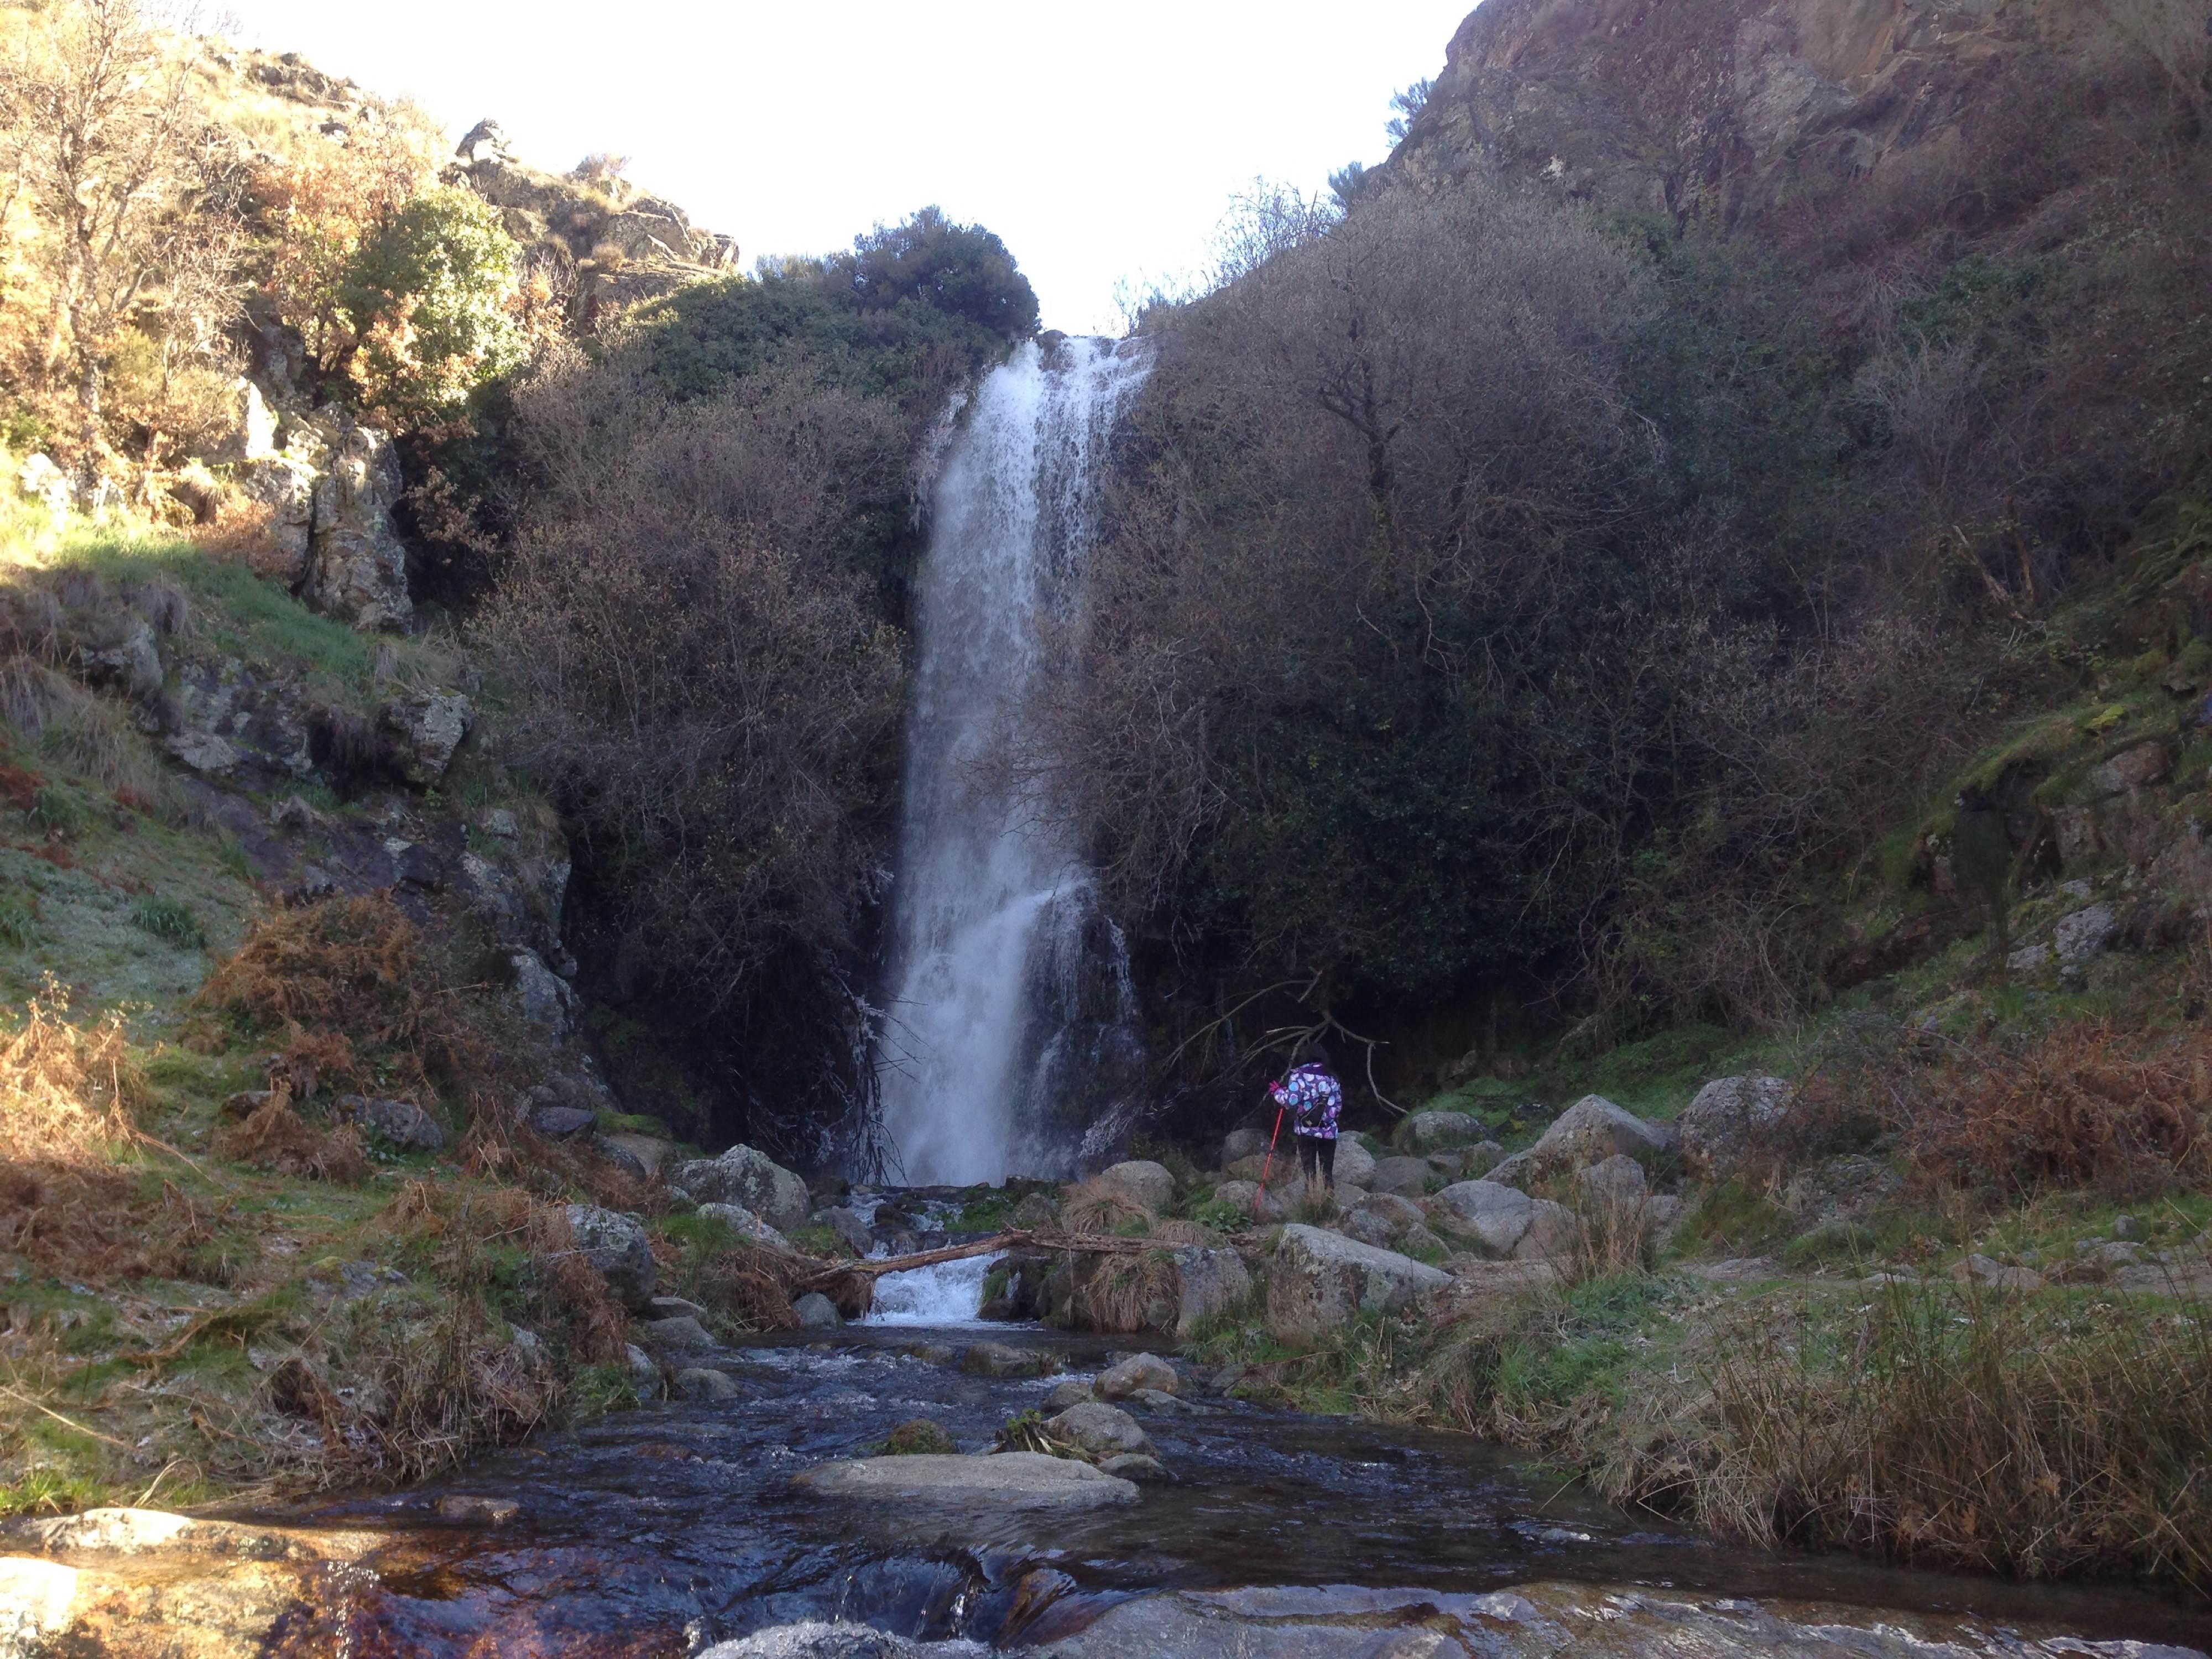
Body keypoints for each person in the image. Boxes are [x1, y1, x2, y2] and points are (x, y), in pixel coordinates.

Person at [1270, 1043, 1343, 1192]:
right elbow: (1339, 1106)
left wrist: (1278, 1092)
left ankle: (1310, 1201)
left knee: (1309, 1172)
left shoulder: (1299, 1075)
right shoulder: (1332, 1078)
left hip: (1306, 1131)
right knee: (1327, 1172)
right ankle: (1328, 1204)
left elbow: (1290, 1101)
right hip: (1328, 1132)